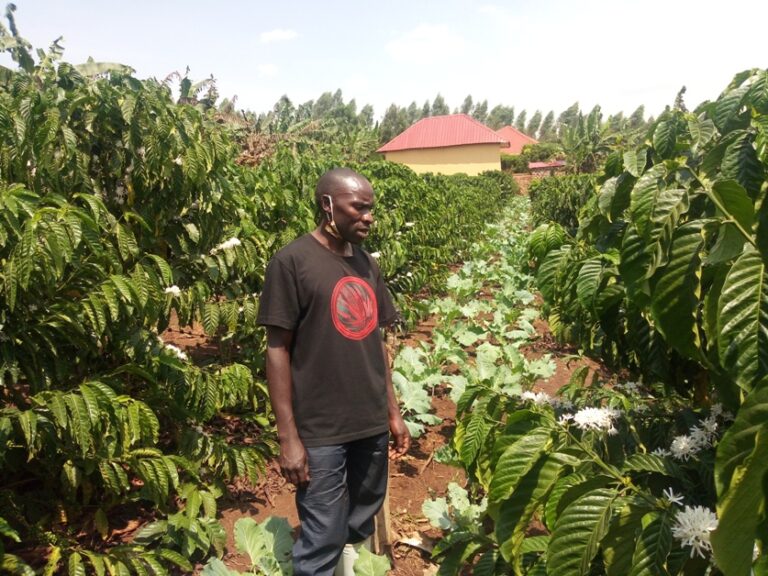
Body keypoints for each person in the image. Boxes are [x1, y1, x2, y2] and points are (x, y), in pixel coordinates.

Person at [257, 167, 411, 576]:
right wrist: (288, 436)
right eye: (358, 208)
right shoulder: (292, 263)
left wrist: (392, 413)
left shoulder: (366, 265)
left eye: (371, 209)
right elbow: (277, 350)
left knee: (359, 516)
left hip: (369, 422)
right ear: (327, 205)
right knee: (322, 534)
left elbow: (376, 342)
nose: (368, 217)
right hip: (322, 428)